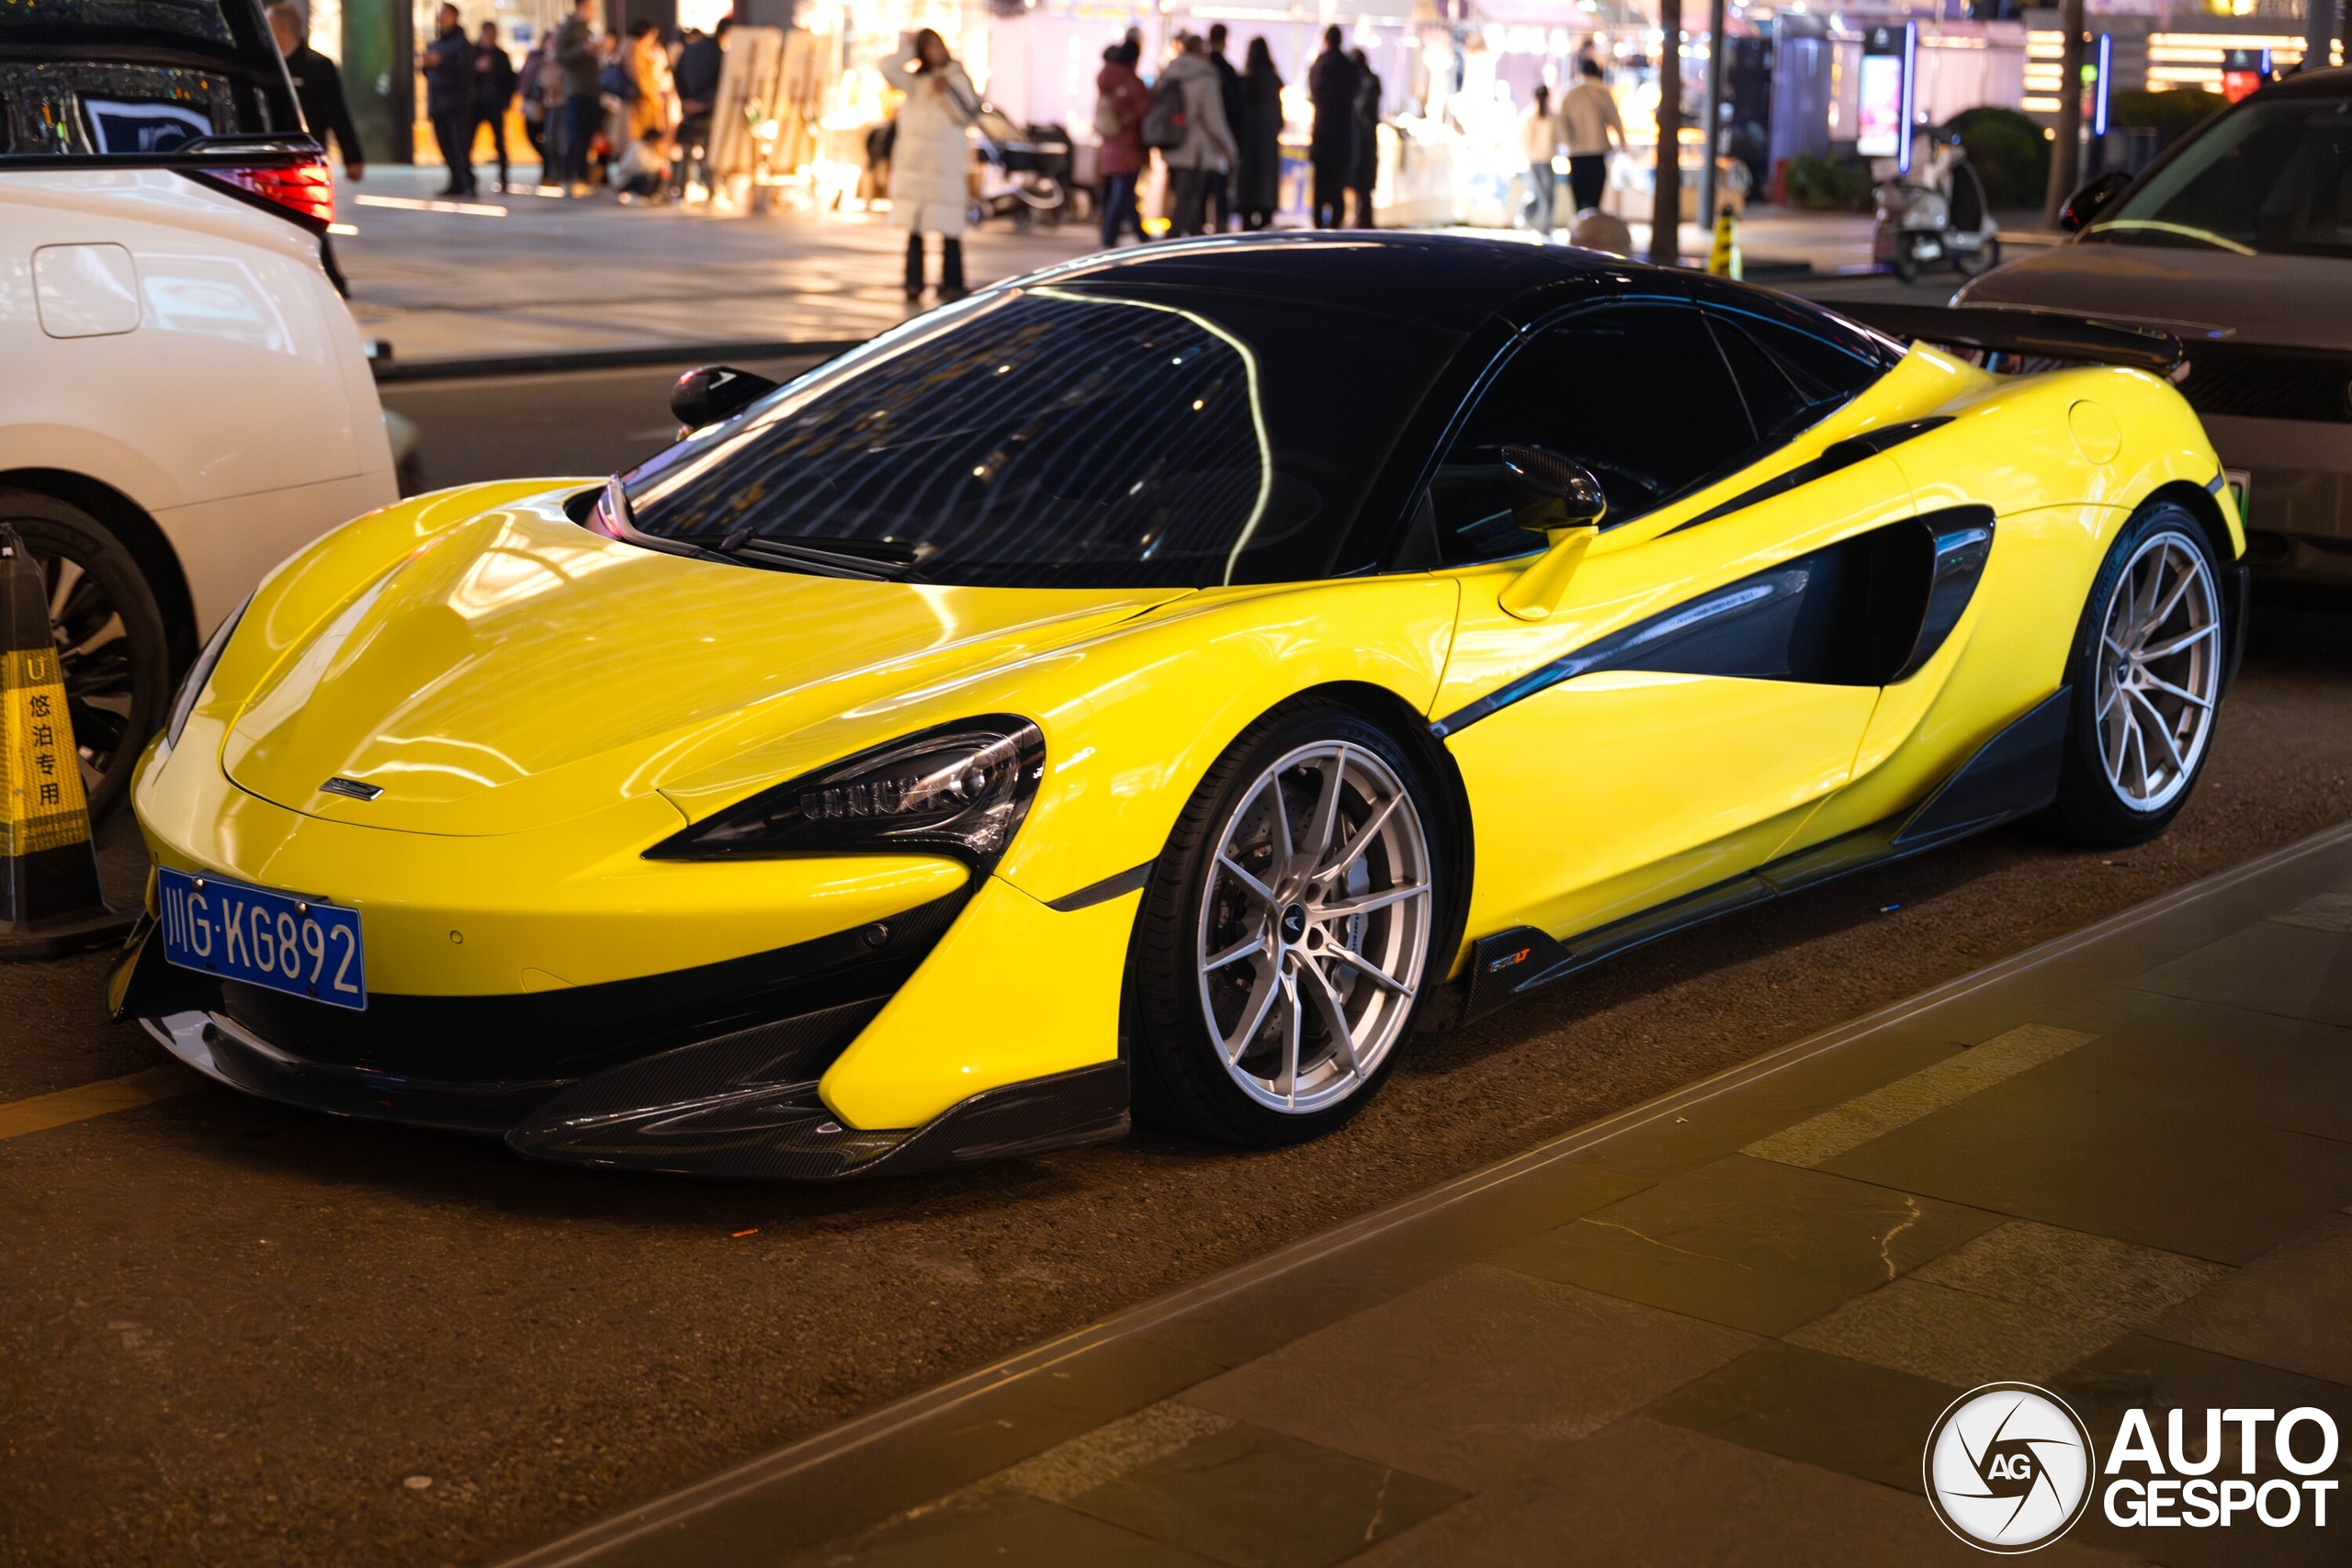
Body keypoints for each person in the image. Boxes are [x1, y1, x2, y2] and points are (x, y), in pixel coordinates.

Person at [878, 28, 980, 302]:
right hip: (915, 165)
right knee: (914, 227)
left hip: (944, 166)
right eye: (928, 47)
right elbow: (886, 67)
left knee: (950, 228)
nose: (934, 52)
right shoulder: (915, 81)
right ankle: (913, 282)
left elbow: (968, 114)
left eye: (936, 45)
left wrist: (948, 92)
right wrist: (910, 50)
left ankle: (953, 283)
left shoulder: (958, 77)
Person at [265, 2, 359, 292]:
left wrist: (353, 156)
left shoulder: (318, 67)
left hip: (304, 158)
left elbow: (337, 113)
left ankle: (332, 278)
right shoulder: (268, 67)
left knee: (309, 217)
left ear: (281, 29)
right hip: (271, 157)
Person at [1159, 32, 1236, 239]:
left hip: (1172, 146)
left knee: (1184, 203)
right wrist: (1230, 150)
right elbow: (1214, 120)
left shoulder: (1168, 73)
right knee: (1188, 205)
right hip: (1195, 152)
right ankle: (1171, 248)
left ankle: (1184, 245)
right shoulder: (1205, 77)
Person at [1093, 39, 1148, 247]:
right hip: (1128, 145)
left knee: (1121, 193)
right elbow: (1145, 111)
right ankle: (1111, 236)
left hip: (1110, 145)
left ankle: (1132, 234)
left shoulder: (1107, 80)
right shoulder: (1131, 83)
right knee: (1122, 194)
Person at [1559, 55, 1625, 216]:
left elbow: (1561, 122)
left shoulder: (1570, 92)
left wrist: (1565, 143)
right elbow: (1614, 118)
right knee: (1594, 194)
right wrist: (1623, 143)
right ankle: (1590, 228)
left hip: (1575, 151)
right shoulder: (1602, 91)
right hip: (1597, 150)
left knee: (1579, 194)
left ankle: (1580, 226)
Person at [1306, 26, 1358, 228]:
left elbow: (1314, 93)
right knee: (1338, 185)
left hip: (1322, 132)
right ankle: (1337, 225)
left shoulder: (1319, 65)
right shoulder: (1349, 66)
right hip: (1343, 132)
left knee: (1320, 185)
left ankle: (1318, 226)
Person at [421, 3, 474, 197]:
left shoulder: (462, 44)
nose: (440, 18)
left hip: (456, 102)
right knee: (445, 145)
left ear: (453, 16)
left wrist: (442, 62)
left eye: (444, 14)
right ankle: (456, 181)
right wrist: (428, 64)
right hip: (438, 102)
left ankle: (467, 180)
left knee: (459, 144)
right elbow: (428, 72)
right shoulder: (434, 44)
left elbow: (466, 72)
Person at [550, 0, 602, 195]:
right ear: (580, 8)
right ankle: (569, 176)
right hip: (577, 89)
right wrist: (583, 50)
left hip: (591, 88)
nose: (593, 12)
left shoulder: (588, 29)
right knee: (575, 135)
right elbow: (560, 55)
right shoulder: (568, 28)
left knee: (587, 135)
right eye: (590, 8)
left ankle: (582, 176)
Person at [1234, 37, 1283, 230]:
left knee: (1248, 182)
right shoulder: (1273, 80)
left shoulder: (1244, 79)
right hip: (1268, 142)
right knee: (1266, 182)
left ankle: (1247, 218)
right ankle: (1266, 215)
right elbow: (1278, 118)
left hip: (1247, 142)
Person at [673, 17, 726, 193]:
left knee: (686, 152)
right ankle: (712, 190)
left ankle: (680, 191)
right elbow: (720, 84)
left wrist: (685, 100)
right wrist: (703, 104)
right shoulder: (718, 54)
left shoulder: (690, 50)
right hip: (706, 111)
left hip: (689, 108)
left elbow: (677, 74)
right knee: (708, 152)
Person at [1204, 23, 1248, 231]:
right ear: (1225, 40)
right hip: (1222, 137)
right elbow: (1236, 109)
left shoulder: (1202, 67)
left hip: (1200, 140)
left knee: (1202, 189)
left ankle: (1198, 228)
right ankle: (1220, 225)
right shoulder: (1227, 71)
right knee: (1220, 186)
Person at [471, 20, 518, 193]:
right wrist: (478, 69)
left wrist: (506, 102)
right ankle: (467, 177)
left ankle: (504, 178)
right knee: (468, 142)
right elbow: (465, 76)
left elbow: (510, 80)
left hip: (494, 104)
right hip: (475, 104)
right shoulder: (472, 53)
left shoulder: (501, 56)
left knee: (500, 142)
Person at [624, 17, 674, 149]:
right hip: (643, 102)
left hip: (642, 100)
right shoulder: (636, 49)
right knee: (644, 140)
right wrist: (653, 97)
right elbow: (640, 77)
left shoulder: (631, 46)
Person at [1346, 46, 1381, 228]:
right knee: (1364, 187)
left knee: (1360, 185)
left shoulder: (1362, 83)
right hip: (1368, 141)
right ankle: (1363, 219)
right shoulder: (1371, 81)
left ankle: (1361, 220)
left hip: (1361, 141)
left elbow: (1361, 112)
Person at [1520, 83, 1558, 234]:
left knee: (1544, 194)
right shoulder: (1532, 116)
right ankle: (1530, 220)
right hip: (1538, 160)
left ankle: (1542, 225)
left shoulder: (1549, 116)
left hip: (1543, 160)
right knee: (1539, 193)